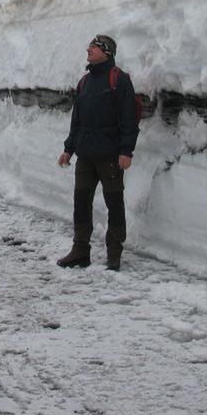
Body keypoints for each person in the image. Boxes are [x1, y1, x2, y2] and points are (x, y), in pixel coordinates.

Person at [56, 34, 139, 271]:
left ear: (108, 52)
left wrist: (126, 151)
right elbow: (77, 120)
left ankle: (114, 253)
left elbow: (129, 118)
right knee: (81, 203)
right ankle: (80, 250)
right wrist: (68, 149)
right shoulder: (84, 82)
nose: (89, 48)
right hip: (85, 155)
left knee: (114, 203)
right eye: (90, 45)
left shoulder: (119, 80)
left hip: (110, 156)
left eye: (95, 46)